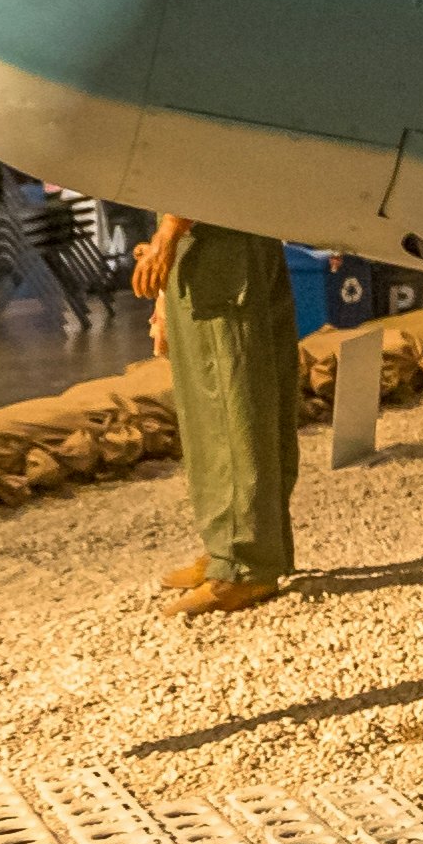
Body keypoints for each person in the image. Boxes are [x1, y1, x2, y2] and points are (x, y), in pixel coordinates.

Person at [128, 214, 297, 614]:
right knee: (220, 407)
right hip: (217, 240)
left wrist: (170, 230)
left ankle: (243, 566)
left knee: (232, 409)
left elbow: (197, 160)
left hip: (216, 244)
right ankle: (235, 550)